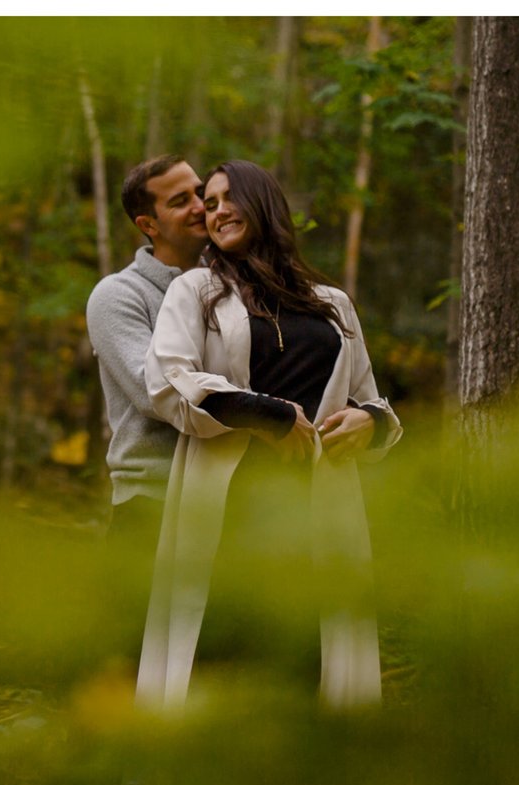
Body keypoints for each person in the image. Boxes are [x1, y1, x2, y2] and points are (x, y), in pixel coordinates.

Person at [137, 160, 401, 710]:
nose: (217, 211)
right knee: (227, 651)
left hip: (319, 504)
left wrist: (370, 423)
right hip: (234, 499)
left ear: (264, 203)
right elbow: (169, 380)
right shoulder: (197, 290)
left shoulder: (331, 303)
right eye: (208, 204)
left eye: (228, 197)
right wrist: (270, 416)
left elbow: (368, 396)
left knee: (310, 653)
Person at [89, 155, 209, 562]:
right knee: (133, 628)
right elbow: (154, 393)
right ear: (148, 225)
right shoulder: (119, 295)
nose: (200, 206)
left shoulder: (236, 286)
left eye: (201, 192)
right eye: (180, 201)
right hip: (150, 505)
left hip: (225, 502)